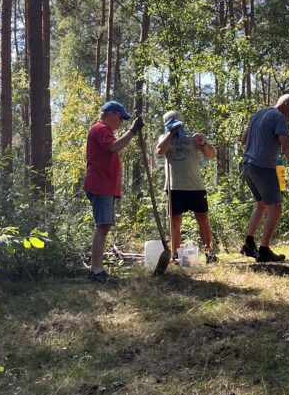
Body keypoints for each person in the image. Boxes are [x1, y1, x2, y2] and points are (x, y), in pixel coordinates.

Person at [240, 94, 289, 263]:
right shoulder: (279, 117)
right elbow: (286, 147)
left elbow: (243, 141)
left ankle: (248, 244)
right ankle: (264, 250)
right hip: (262, 167)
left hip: (247, 165)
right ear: (288, 104)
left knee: (261, 204)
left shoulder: (258, 113)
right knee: (275, 207)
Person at [83, 100, 143, 282]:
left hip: (104, 185)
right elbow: (114, 147)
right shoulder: (101, 128)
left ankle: (96, 270)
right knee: (102, 226)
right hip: (100, 185)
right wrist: (133, 131)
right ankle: (96, 271)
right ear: (111, 114)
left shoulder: (104, 130)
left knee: (104, 226)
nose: (121, 122)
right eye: (121, 118)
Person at [156, 111, 219, 263]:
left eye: (177, 123)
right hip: (174, 187)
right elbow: (160, 151)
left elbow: (212, 154)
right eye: (171, 123)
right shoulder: (164, 138)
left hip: (195, 186)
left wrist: (203, 143)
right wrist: (171, 134)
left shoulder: (192, 137)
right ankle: (175, 255)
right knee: (175, 222)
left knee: (203, 220)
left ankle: (209, 253)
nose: (175, 126)